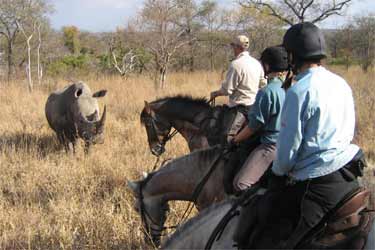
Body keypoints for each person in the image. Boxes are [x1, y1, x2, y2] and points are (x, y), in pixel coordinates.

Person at [235, 22, 364, 249]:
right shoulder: (340, 83)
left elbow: (286, 155)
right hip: (348, 174)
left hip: (315, 184)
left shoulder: (298, 91)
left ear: (293, 56)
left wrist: (276, 175)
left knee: (264, 230)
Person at [230, 46, 288, 192]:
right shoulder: (288, 87)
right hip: (288, 142)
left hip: (271, 146)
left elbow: (253, 126)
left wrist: (235, 140)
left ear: (267, 66)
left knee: (240, 184)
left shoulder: (266, 92)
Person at [210, 35, 264, 113]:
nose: (233, 49)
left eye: (233, 46)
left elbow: (227, 90)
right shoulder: (257, 63)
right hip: (254, 107)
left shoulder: (236, 64)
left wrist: (215, 93)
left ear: (237, 47)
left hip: (238, 109)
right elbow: (263, 84)